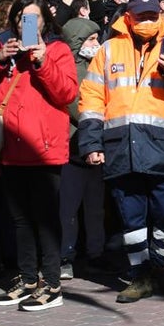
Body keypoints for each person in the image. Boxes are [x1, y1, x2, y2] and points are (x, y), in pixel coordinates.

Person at [78, 0, 164, 304]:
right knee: (131, 215)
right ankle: (141, 275)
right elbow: (92, 99)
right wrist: (92, 142)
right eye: (141, 16)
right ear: (128, 17)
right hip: (122, 144)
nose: (147, 21)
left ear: (160, 16)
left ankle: (160, 266)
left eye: (152, 16)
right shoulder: (108, 51)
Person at [0, 0, 78, 311]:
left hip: (44, 149)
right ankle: (28, 278)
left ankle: (52, 284)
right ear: (14, 19)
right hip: (10, 146)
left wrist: (43, 62)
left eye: (34, 19)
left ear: (45, 20)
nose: (27, 24)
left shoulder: (57, 49)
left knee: (45, 219)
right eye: (21, 18)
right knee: (19, 220)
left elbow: (67, 93)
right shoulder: (0, 44)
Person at [59, 18, 106, 279]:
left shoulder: (95, 66)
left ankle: (95, 251)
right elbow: (79, 107)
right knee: (69, 207)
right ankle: (66, 254)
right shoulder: (71, 70)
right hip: (73, 146)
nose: (96, 44)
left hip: (95, 146)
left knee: (94, 205)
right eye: (90, 39)